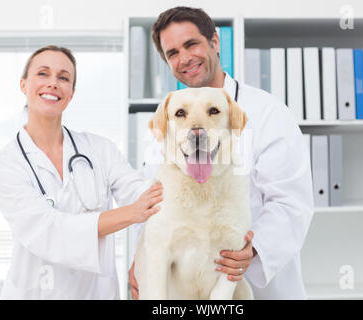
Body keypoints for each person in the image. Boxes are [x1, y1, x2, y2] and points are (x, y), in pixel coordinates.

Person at [129, 6, 314, 300]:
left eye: (191, 44)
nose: (184, 58)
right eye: (172, 53)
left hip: (260, 286)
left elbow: (292, 203)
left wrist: (253, 249)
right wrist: (141, 261)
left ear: (214, 42)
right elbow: (159, 205)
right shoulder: (170, 121)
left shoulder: (267, 112)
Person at [0, 45, 163, 299]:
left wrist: (182, 182)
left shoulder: (100, 150)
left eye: (63, 77)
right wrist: (131, 213)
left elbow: (141, 193)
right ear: (24, 84)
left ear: (71, 93)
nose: (53, 84)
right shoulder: (7, 166)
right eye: (43, 74)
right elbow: (49, 230)